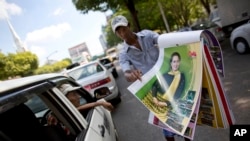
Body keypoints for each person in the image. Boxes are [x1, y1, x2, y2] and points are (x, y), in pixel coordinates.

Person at [111, 15, 190, 141]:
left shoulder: (147, 35)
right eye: (118, 31)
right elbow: (126, 72)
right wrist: (130, 75)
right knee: (167, 123)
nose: (122, 33)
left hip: (170, 79)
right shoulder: (123, 53)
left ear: (129, 26)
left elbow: (162, 40)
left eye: (123, 29)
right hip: (154, 89)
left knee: (183, 118)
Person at [47, 83, 114, 133]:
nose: (79, 96)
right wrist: (100, 103)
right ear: (64, 99)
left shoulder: (63, 112)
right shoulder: (55, 118)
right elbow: (73, 111)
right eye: (74, 94)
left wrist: (100, 103)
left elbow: (75, 110)